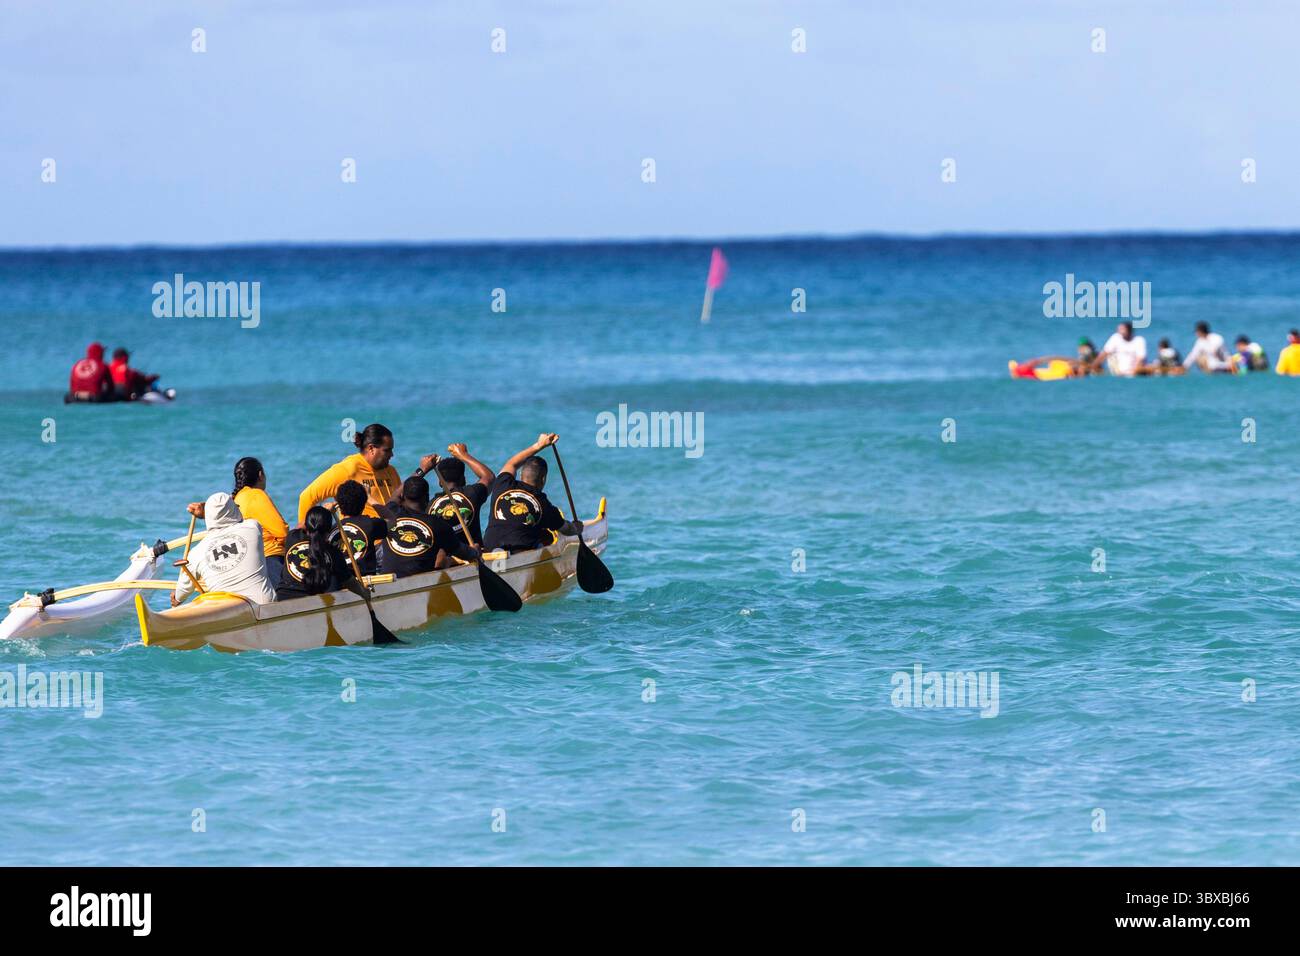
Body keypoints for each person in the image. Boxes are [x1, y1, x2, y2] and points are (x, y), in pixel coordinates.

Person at [483, 433, 584, 554]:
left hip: (489, 548)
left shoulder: (503, 483)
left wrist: (539, 445)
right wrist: (577, 528)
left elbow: (512, 464)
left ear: (521, 474)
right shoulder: (543, 504)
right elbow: (567, 529)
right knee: (544, 538)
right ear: (543, 480)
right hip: (518, 553)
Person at [172, 492, 277, 607]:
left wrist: (177, 599)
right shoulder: (252, 527)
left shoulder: (196, 552)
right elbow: (239, 516)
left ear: (209, 515)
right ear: (234, 509)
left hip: (224, 608)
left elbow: (182, 591)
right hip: (263, 604)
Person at [298, 423, 408, 524]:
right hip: (359, 541)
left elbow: (400, 503)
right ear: (371, 448)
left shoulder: (391, 471)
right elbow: (307, 496)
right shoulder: (347, 469)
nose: (392, 454)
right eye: (387, 450)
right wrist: (305, 536)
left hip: (390, 540)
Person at [379, 476, 477, 577]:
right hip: (419, 582)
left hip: (387, 580)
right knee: (445, 558)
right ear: (427, 497)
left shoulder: (390, 512)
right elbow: (465, 554)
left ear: (403, 495)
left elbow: (395, 496)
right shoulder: (438, 524)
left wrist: (422, 470)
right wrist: (475, 551)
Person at [277, 506, 372, 601]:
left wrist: (323, 510)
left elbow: (301, 525)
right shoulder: (334, 553)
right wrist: (364, 593)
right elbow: (349, 581)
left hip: (283, 597)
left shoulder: (292, 537)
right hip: (316, 603)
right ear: (329, 530)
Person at [230, 457, 289, 584]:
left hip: (249, 562)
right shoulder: (256, 494)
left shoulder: (236, 499)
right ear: (260, 475)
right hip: (270, 558)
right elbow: (282, 532)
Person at [428, 443, 495, 544]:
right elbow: (488, 477)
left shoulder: (430, 505)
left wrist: (423, 470)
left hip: (444, 558)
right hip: (472, 554)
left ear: (440, 482)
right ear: (463, 479)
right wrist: (463, 455)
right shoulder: (472, 493)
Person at [330, 479, 387, 575]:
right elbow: (391, 519)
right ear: (363, 503)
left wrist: (328, 511)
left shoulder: (330, 530)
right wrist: (369, 497)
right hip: (365, 582)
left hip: (339, 582)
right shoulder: (370, 524)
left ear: (339, 504)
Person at [1007, 356, 1081, 381]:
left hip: (1039, 374)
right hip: (1040, 374)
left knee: (1055, 365)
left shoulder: (1019, 371)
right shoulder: (1020, 369)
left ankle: (1073, 370)